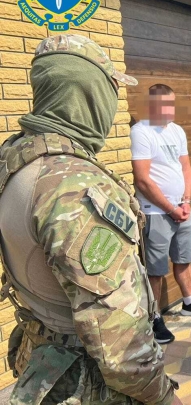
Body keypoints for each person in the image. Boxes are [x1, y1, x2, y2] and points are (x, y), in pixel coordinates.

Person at [0, 34, 180, 404]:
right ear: (91, 93)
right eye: (112, 91)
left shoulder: (15, 158)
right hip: (89, 385)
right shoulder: (74, 187)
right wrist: (164, 397)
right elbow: (122, 348)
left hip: (47, 360)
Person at [131, 84, 191, 344]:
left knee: (183, 258)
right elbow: (142, 180)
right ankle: (154, 317)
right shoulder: (141, 132)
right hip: (156, 212)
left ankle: (189, 301)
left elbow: (186, 168)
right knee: (155, 269)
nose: (169, 110)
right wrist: (171, 208)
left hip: (182, 209)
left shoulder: (177, 130)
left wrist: (186, 201)